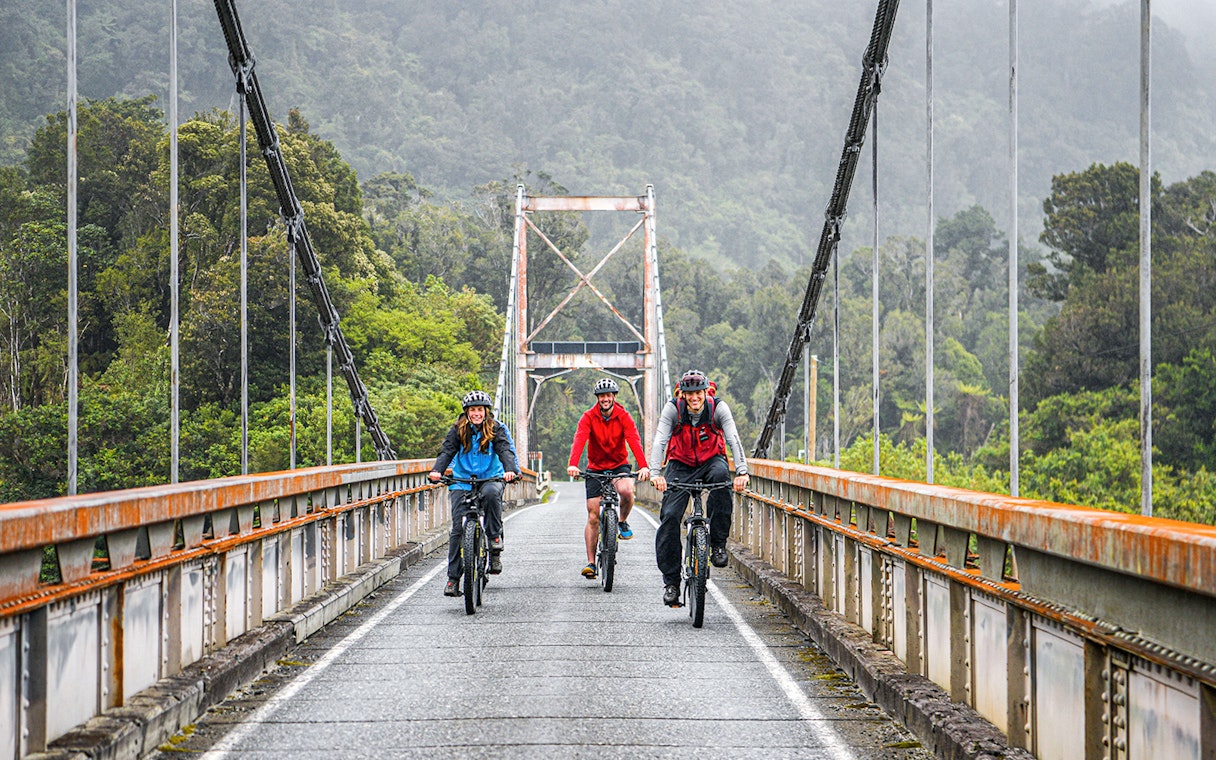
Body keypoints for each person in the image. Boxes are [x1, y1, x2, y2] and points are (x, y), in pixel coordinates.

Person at [649, 369, 749, 607]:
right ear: (682, 394)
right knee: (670, 518)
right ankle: (671, 583)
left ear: (706, 392)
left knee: (722, 480)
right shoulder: (673, 409)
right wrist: (655, 473)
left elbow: (733, 439)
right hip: (679, 464)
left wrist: (742, 471)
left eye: (698, 393)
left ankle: (717, 545)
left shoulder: (718, 408)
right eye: (689, 394)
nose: (694, 398)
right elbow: (660, 440)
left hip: (711, 461)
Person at [429, 390, 521, 597]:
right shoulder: (457, 430)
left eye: (480, 409)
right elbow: (447, 451)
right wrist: (437, 470)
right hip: (463, 479)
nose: (476, 413)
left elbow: (505, 450)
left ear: (486, 411)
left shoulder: (496, 429)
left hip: (490, 477)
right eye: (473, 410)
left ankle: (495, 541)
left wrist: (510, 470)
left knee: (491, 496)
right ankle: (453, 579)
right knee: (457, 529)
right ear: (467, 412)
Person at [567, 377, 650, 579]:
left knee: (627, 491)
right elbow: (580, 438)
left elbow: (633, 440)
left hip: (619, 464)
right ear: (598, 398)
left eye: (608, 395)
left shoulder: (624, 416)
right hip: (595, 467)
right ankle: (591, 563)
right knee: (593, 514)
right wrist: (573, 463)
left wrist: (644, 465)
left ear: (614, 397)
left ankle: (621, 522)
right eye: (601, 396)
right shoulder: (588, 416)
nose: (605, 399)